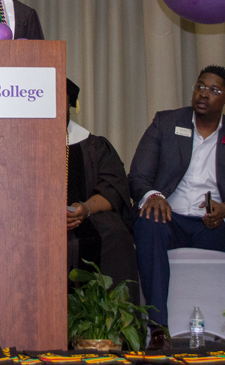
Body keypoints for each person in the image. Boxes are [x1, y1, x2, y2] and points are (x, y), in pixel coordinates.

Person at [128, 65, 225, 351]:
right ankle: (158, 328)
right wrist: (153, 196)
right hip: (170, 221)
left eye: (214, 90)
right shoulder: (165, 123)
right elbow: (137, 176)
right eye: (200, 86)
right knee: (148, 221)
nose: (204, 94)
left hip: (217, 226)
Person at [65, 79, 138, 303]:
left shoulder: (93, 145)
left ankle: (110, 328)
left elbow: (113, 189)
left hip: (85, 216)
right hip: (36, 221)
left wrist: (85, 208)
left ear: (70, 103)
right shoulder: (20, 141)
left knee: (115, 232)